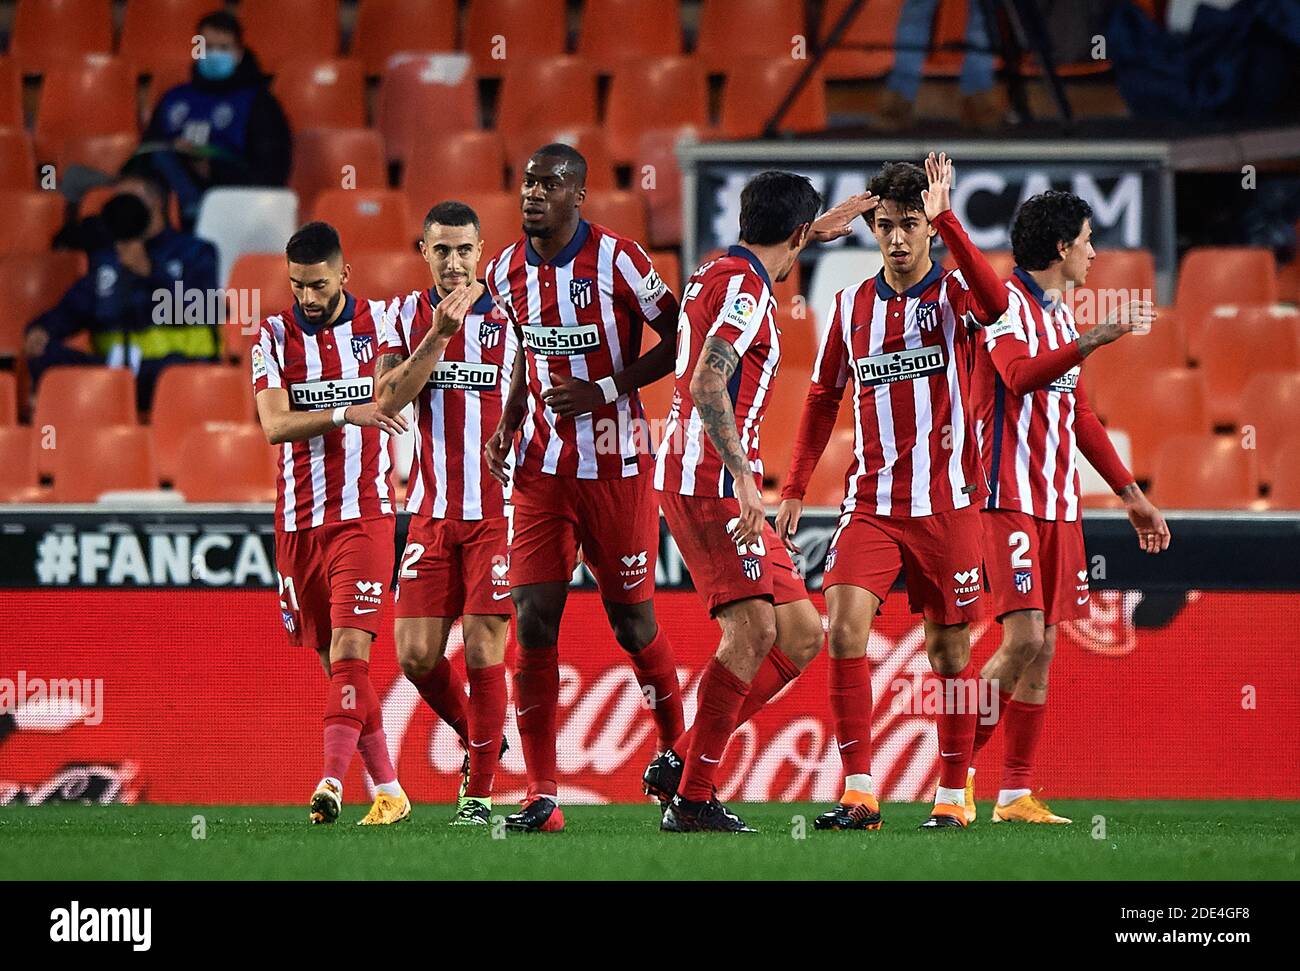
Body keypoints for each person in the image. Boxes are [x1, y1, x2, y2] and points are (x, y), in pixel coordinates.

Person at [776, 154, 1009, 830]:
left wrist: (952, 223)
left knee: (949, 652)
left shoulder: (955, 296)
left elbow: (997, 303)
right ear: (873, 227)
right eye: (886, 225)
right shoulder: (850, 306)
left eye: (911, 225)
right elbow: (822, 397)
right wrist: (793, 485)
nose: (899, 238)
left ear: (928, 228)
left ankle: (953, 794)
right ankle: (859, 791)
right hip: (871, 504)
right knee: (844, 629)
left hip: (948, 502)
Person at [650, 173, 876, 833]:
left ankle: (684, 760)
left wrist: (815, 229)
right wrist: (746, 476)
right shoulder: (749, 291)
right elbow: (706, 379)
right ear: (799, 236)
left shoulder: (717, 268)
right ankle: (692, 796)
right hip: (712, 482)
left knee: (803, 633)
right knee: (752, 632)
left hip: (697, 474)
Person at [482, 143, 684, 833]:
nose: (532, 194)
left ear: (579, 196)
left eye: (548, 184)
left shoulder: (621, 260)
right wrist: (511, 416)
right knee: (533, 615)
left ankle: (677, 751)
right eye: (527, 182)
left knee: (633, 624)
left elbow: (678, 338)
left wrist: (604, 387)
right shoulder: (503, 269)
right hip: (541, 470)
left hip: (618, 464)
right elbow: (523, 350)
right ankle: (543, 793)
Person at [964, 190, 1170, 824]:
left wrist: (1132, 495)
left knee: (1045, 645)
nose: (1093, 251)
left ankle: (1014, 794)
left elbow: (1078, 417)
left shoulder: (1056, 316)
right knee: (1022, 636)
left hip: (1058, 503)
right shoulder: (1004, 303)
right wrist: (1096, 338)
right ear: (1061, 248)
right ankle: (950, 778)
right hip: (1008, 496)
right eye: (1086, 239)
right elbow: (1021, 376)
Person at [251, 221, 410, 826]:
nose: (308, 298)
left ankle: (331, 782)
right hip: (297, 525)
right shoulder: (272, 334)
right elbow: (274, 424)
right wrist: (347, 410)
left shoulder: (381, 325)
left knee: (351, 653)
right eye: (297, 287)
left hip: (365, 517)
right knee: (338, 668)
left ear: (344, 274)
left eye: (318, 285)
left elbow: (412, 367)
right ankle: (390, 791)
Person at [373, 202, 515, 826]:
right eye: (441, 251)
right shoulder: (404, 316)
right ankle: (480, 738)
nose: (453, 263)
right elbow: (385, 401)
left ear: (481, 250)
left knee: (485, 649)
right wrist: (438, 335)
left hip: (499, 512)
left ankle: (478, 793)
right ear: (423, 251)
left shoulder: (515, 315)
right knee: (414, 654)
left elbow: (548, 402)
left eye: (464, 250)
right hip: (430, 512)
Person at [25, 170, 219, 412]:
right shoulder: (106, 257)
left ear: (156, 203)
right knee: (46, 355)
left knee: (174, 372)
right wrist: (44, 329)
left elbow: (203, 310)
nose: (123, 207)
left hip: (173, 372)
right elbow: (74, 307)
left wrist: (151, 271)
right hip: (109, 372)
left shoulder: (195, 252)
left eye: (130, 200)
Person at [142, 10, 291, 225]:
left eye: (223, 48)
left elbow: (271, 172)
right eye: (208, 47)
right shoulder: (174, 99)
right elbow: (148, 149)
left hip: (235, 205)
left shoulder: (259, 104)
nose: (214, 55)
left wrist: (212, 169)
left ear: (238, 53)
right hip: (168, 203)